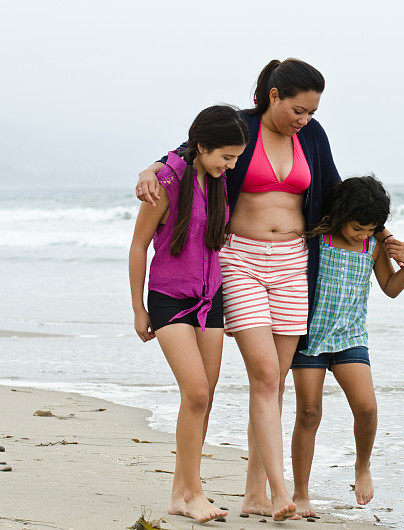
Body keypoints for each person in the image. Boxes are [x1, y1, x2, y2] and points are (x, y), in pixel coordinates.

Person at [134, 58, 389, 518]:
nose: (305, 120)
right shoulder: (242, 128)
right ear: (274, 96)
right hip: (240, 259)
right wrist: (152, 167)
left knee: (275, 384)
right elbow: (194, 147)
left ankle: (255, 493)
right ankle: (276, 488)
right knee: (265, 375)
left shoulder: (311, 136)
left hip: (293, 264)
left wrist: (382, 234)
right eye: (298, 110)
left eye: (311, 112)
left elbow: (335, 193)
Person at [128, 105, 248, 523]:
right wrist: (138, 307)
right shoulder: (165, 182)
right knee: (195, 391)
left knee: (205, 398)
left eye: (235, 158)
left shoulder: (218, 181)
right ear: (201, 146)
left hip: (210, 299)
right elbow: (139, 245)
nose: (230, 165)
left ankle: (182, 492)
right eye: (226, 157)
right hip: (168, 299)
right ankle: (193, 493)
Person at [290, 176, 404, 517]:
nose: (362, 234)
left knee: (367, 408)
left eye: (371, 228)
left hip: (350, 337)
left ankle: (362, 466)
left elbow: (390, 287)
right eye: (358, 227)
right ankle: (301, 494)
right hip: (309, 339)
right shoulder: (318, 237)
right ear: (342, 214)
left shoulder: (371, 246)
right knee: (309, 413)